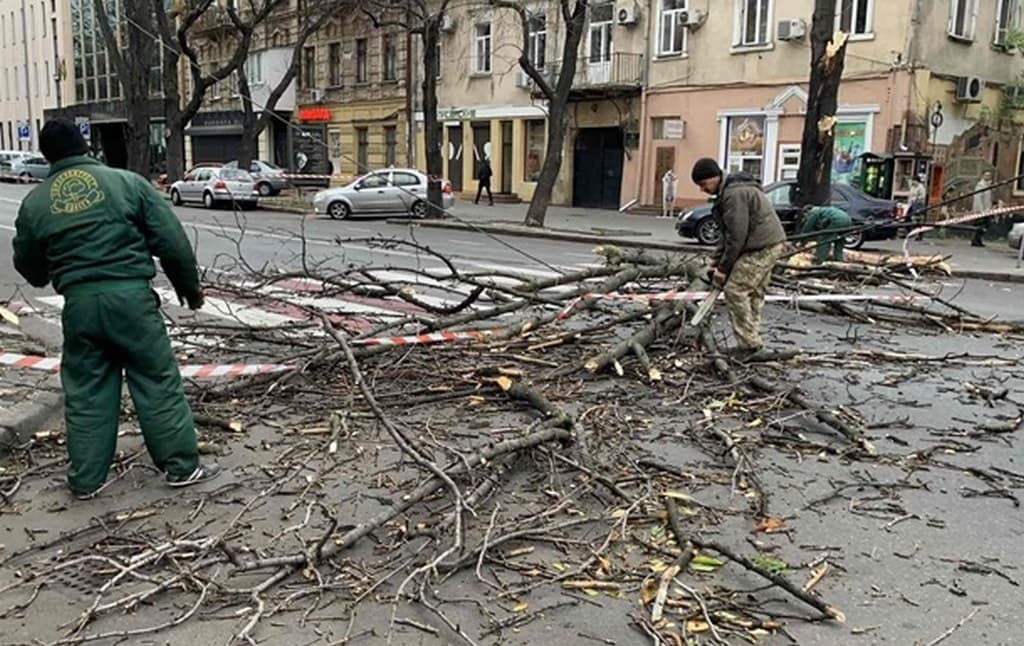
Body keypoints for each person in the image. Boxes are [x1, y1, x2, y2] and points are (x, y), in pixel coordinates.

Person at [12, 119, 220, 500]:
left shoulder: (36, 203)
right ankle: (181, 467)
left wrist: (53, 269)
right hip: (132, 302)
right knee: (156, 380)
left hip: (79, 307)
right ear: (85, 147)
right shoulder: (127, 184)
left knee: (87, 391)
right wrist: (189, 290)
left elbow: (29, 264)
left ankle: (86, 481)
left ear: (47, 156)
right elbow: (171, 241)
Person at [690, 158, 786, 356]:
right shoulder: (730, 189)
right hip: (767, 242)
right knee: (754, 292)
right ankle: (753, 340)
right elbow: (727, 236)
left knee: (735, 291)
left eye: (703, 184)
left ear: (714, 177)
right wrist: (715, 262)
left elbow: (736, 237)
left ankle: (749, 345)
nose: (702, 189)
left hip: (761, 246)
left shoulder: (734, 194)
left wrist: (723, 270)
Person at [971, 170, 993, 247]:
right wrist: (981, 210)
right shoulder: (980, 185)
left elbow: (988, 199)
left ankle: (978, 239)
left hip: (987, 210)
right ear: (983, 176)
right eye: (986, 175)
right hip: (981, 210)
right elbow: (978, 198)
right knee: (979, 225)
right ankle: (975, 240)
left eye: (989, 175)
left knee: (985, 225)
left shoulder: (988, 185)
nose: (988, 177)